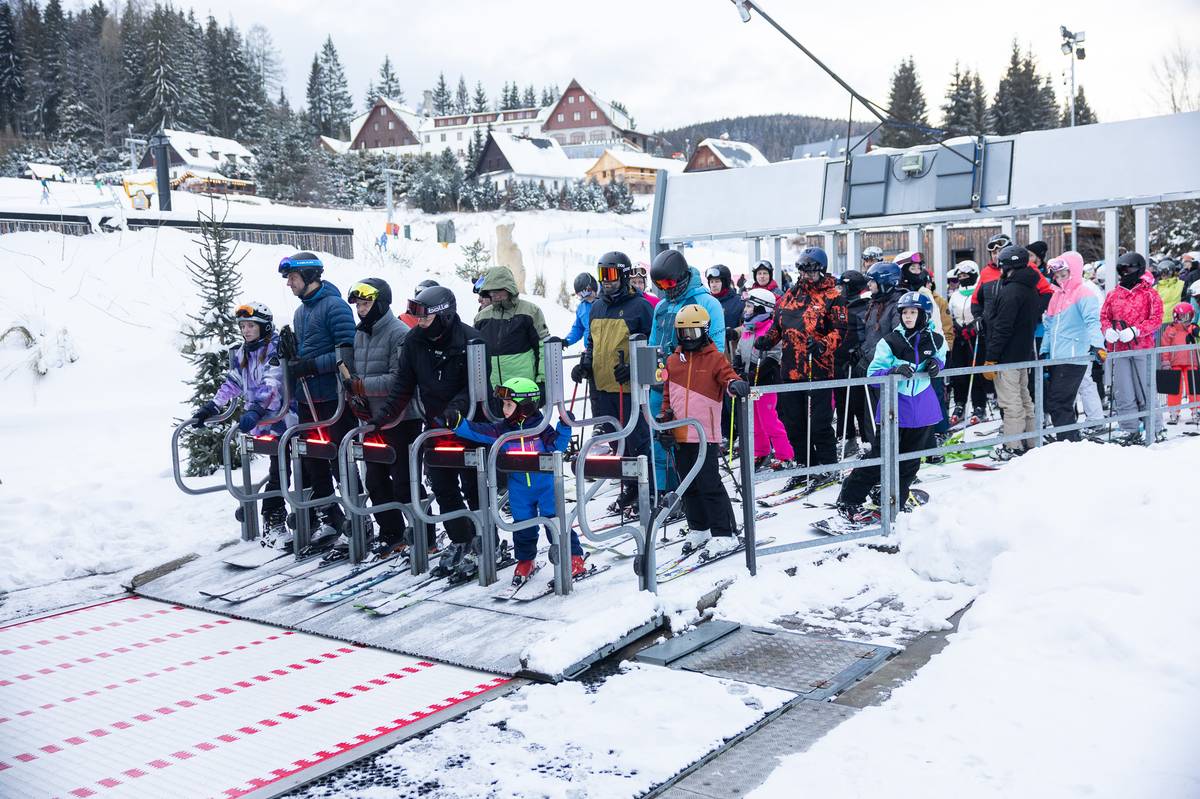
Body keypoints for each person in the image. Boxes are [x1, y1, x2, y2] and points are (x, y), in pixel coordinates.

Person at [372, 285, 491, 580]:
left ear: (444, 316)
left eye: (425, 318)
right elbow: (404, 383)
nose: (420, 323)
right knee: (442, 485)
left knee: (474, 486)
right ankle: (461, 537)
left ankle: (486, 541)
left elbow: (478, 386)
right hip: (435, 424)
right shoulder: (414, 341)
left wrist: (457, 408)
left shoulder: (472, 341)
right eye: (418, 318)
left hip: (468, 423)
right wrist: (385, 415)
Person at [448, 377, 585, 585]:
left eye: (509, 404)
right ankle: (525, 560)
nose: (504, 409)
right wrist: (459, 424)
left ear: (526, 406)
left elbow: (557, 445)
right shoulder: (503, 430)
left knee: (555, 523)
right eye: (503, 404)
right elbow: (479, 431)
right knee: (522, 527)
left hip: (546, 486)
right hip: (519, 488)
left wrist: (565, 427)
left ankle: (573, 556)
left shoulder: (541, 427)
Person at [835, 291, 946, 523]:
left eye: (913, 312)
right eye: (904, 312)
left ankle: (894, 497)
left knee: (911, 461)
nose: (907, 317)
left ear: (924, 315)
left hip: (922, 409)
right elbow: (873, 374)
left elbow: (941, 356)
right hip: (895, 408)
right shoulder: (891, 342)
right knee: (881, 456)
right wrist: (893, 371)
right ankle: (850, 498)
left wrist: (937, 363)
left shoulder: (935, 339)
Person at [344, 278, 432, 557]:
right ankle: (392, 533)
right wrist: (355, 392)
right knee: (376, 480)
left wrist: (361, 385)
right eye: (358, 304)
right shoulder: (361, 334)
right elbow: (358, 371)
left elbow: (399, 380)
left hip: (401, 417)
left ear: (380, 303)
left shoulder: (399, 333)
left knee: (404, 481)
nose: (361, 309)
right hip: (372, 418)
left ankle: (423, 534)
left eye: (366, 303)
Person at [190, 302, 290, 546]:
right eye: (243, 326)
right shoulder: (243, 352)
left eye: (251, 326)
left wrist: (256, 409)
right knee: (280, 468)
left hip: (283, 419)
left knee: (290, 468)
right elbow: (233, 382)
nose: (246, 331)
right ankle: (275, 519)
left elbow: (272, 383)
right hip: (264, 421)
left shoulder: (275, 348)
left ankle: (282, 518)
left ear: (263, 327)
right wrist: (213, 406)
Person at [657, 304, 750, 557]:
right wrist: (664, 421)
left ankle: (724, 532)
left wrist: (736, 386)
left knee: (709, 483)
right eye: (683, 333)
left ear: (705, 332)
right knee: (688, 485)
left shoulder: (714, 358)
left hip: (704, 433)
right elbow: (668, 396)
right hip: (680, 433)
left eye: (693, 333)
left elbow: (728, 377)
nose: (688, 339)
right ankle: (700, 529)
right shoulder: (673, 361)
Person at [279, 252, 357, 539]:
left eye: (293, 278)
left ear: (310, 277)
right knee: (313, 457)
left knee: (339, 456)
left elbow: (347, 352)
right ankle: (330, 516)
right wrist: (290, 359)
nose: (289, 284)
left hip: (332, 397)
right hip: (307, 397)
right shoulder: (301, 312)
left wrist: (311, 365)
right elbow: (305, 352)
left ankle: (357, 518)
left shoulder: (334, 307)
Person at [574, 251, 655, 514]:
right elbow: (592, 342)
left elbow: (652, 348)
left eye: (610, 275)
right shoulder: (597, 306)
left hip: (629, 388)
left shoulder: (640, 306)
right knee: (615, 441)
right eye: (601, 275)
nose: (606, 281)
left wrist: (632, 369)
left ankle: (650, 489)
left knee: (638, 440)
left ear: (622, 274)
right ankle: (630, 486)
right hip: (603, 386)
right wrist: (586, 363)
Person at [753, 247, 844, 479]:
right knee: (793, 422)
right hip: (791, 370)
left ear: (821, 271)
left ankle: (827, 466)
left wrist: (823, 344)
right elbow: (778, 325)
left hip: (817, 369)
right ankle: (805, 463)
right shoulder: (790, 295)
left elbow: (840, 331)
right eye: (803, 271)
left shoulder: (833, 297)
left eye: (812, 271)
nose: (806, 276)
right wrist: (768, 339)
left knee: (819, 423)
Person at [649, 249, 726, 492]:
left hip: (690, 388)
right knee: (660, 442)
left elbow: (716, 349)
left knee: (687, 446)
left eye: (669, 282)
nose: (666, 288)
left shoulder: (706, 303)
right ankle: (664, 491)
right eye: (659, 284)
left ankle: (692, 494)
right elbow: (653, 345)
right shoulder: (661, 306)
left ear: (682, 277)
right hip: (660, 386)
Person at [981, 245, 1044, 460]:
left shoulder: (1011, 291)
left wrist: (991, 357)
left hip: (1007, 356)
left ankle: (1012, 445)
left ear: (1008, 266)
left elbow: (1003, 327)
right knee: (1024, 399)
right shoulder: (1030, 288)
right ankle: (1030, 441)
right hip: (1023, 353)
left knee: (1011, 402)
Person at [1101, 252, 1165, 443]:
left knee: (1144, 388)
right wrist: (1107, 330)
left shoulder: (1149, 294)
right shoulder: (1114, 294)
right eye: (1122, 270)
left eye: (1128, 269)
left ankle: (1155, 426)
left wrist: (1137, 331)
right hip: (1120, 348)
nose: (1125, 273)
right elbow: (1104, 316)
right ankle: (1128, 427)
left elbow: (1156, 319)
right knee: (1124, 389)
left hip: (1142, 347)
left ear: (1138, 269)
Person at [1040, 253, 1104, 443]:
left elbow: (1093, 322)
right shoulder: (1057, 296)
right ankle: (1068, 439)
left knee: (1058, 402)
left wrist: (1098, 345)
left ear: (1074, 272)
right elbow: (1049, 327)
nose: (1059, 279)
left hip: (1075, 356)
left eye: (1064, 274)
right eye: (1057, 275)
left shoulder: (1084, 294)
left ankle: (1068, 441)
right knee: (1060, 402)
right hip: (1057, 356)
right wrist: (1045, 350)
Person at [735, 287, 794, 469]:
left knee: (769, 420)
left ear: (762, 309)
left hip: (765, 383)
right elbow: (739, 350)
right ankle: (761, 453)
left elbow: (775, 356)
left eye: (750, 307)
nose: (746, 311)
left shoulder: (770, 329)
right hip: (751, 384)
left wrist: (755, 373)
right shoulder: (748, 328)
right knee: (754, 421)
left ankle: (786, 455)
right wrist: (737, 367)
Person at [473, 265, 549, 390]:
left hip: (523, 387)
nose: (495, 295)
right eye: (492, 292)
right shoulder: (481, 317)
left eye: (499, 291)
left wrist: (542, 381)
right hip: (492, 389)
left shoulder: (530, 311)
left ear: (509, 289)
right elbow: (476, 353)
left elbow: (543, 347)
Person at [834, 269, 873, 453]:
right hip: (839, 360)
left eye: (842, 286)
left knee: (859, 402)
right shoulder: (838, 305)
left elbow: (867, 335)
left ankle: (867, 439)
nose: (839, 290)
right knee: (842, 402)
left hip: (856, 362)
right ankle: (846, 436)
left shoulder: (863, 307)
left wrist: (858, 352)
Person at [947, 261, 989, 424]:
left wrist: (975, 326)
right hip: (960, 338)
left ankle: (979, 405)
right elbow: (951, 313)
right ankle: (959, 404)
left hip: (975, 336)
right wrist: (956, 326)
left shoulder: (979, 292)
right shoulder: (956, 295)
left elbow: (983, 312)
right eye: (960, 276)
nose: (963, 278)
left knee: (976, 371)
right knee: (960, 372)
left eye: (966, 275)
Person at [1160, 302, 1199, 424]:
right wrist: (1165, 361)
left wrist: (1195, 333)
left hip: (1191, 362)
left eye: (1185, 317)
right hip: (1174, 362)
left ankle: (1196, 409)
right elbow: (1165, 345)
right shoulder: (1170, 329)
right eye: (1180, 317)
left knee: (1193, 387)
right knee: (1174, 387)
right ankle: (1174, 411)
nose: (1182, 320)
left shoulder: (1191, 328)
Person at [706, 264, 745, 357]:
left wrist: (734, 333)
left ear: (725, 282)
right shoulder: (706, 302)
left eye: (717, 281)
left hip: (733, 354)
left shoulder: (739, 302)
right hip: (710, 353)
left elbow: (749, 327)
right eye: (711, 282)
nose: (713, 285)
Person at [564, 273, 597, 347]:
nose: (586, 297)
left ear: (593, 287)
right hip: (590, 351)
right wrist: (566, 341)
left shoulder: (606, 302)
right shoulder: (582, 307)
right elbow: (578, 328)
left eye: (587, 291)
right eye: (581, 294)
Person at [1154, 260, 1184, 332]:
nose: (1165, 276)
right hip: (1160, 322)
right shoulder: (1155, 287)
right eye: (1162, 273)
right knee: (1160, 342)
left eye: (1167, 273)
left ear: (1172, 273)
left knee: (1178, 342)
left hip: (1176, 321)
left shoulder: (1181, 284)